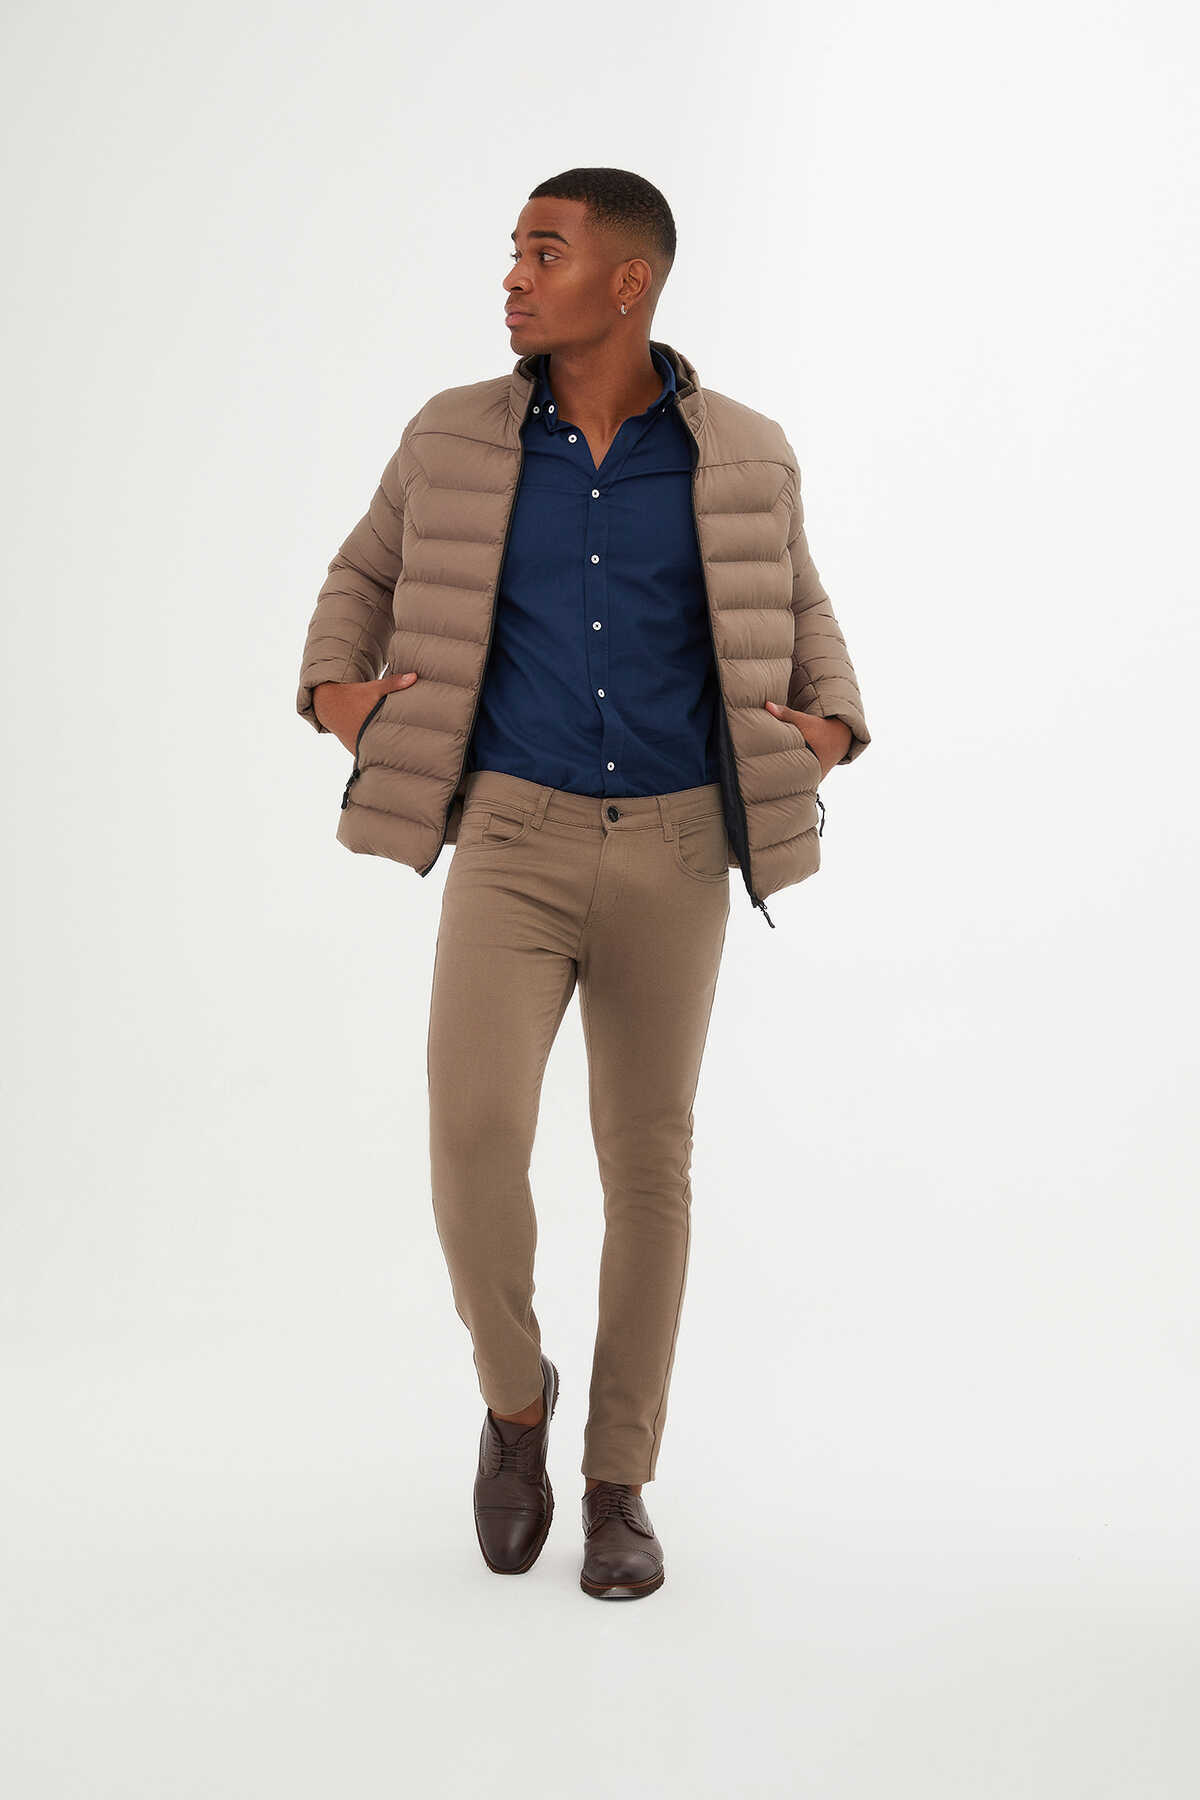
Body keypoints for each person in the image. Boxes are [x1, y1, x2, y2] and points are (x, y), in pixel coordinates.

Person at [295, 167, 871, 1600]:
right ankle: (516, 1405)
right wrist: (336, 696)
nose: (512, 276)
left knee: (647, 1163)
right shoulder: (453, 435)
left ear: (629, 282)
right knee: (474, 1135)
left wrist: (832, 726)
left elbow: (800, 605)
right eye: (513, 251)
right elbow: (362, 573)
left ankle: (620, 1483)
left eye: (543, 253)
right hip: (510, 837)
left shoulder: (745, 452)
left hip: (677, 847)